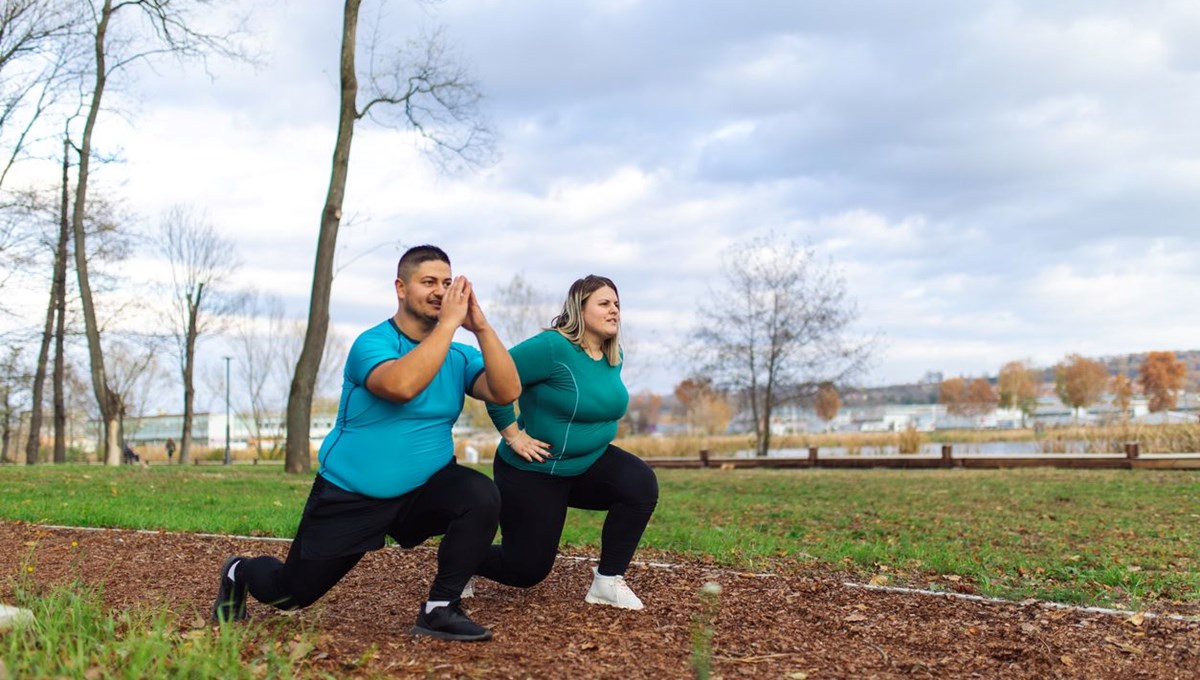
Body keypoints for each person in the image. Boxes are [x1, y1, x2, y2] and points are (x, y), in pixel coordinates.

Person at [211, 245, 520, 642]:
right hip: (352, 494)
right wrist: (448, 326)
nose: (440, 291)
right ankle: (239, 571)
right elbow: (401, 385)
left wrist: (480, 327)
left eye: (447, 282)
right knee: (291, 594)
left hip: (424, 489)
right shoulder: (372, 344)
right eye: (428, 282)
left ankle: (440, 609)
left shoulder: (459, 354)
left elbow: (506, 390)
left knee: (480, 494)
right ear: (401, 288)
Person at [473, 275, 659, 610]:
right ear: (579, 307)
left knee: (640, 484)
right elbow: (495, 380)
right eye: (604, 303)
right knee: (525, 570)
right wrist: (513, 435)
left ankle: (606, 583)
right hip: (535, 471)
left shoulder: (612, 356)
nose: (614, 310)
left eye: (617, 304)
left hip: (588, 463)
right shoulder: (551, 348)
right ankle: (463, 559)